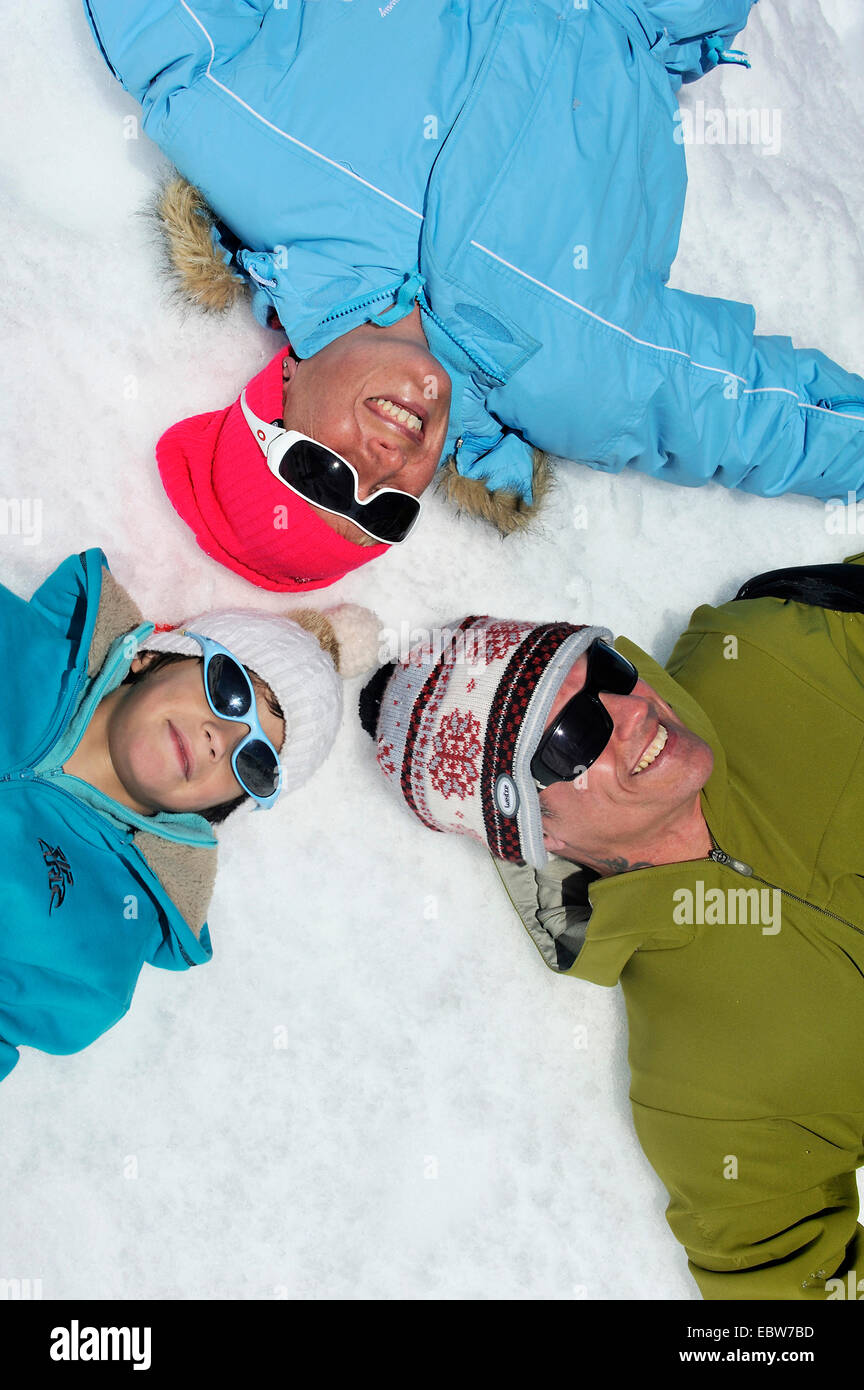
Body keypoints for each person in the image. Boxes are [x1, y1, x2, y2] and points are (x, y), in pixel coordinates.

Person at [80, 0, 864, 591]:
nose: (379, 470)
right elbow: (765, 422)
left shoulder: (239, 137)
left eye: (319, 475)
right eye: (385, 513)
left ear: (275, 389)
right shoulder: (578, 384)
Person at [357, 558, 864, 1300]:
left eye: (605, 669)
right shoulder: (703, 1096)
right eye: (572, 734)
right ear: (539, 835)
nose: (632, 711)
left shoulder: (773, 644)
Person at [0, 547, 378, 1084]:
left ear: (221, 808)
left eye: (254, 761)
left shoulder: (95, 957)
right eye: (229, 689)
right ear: (150, 655)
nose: (220, 739)